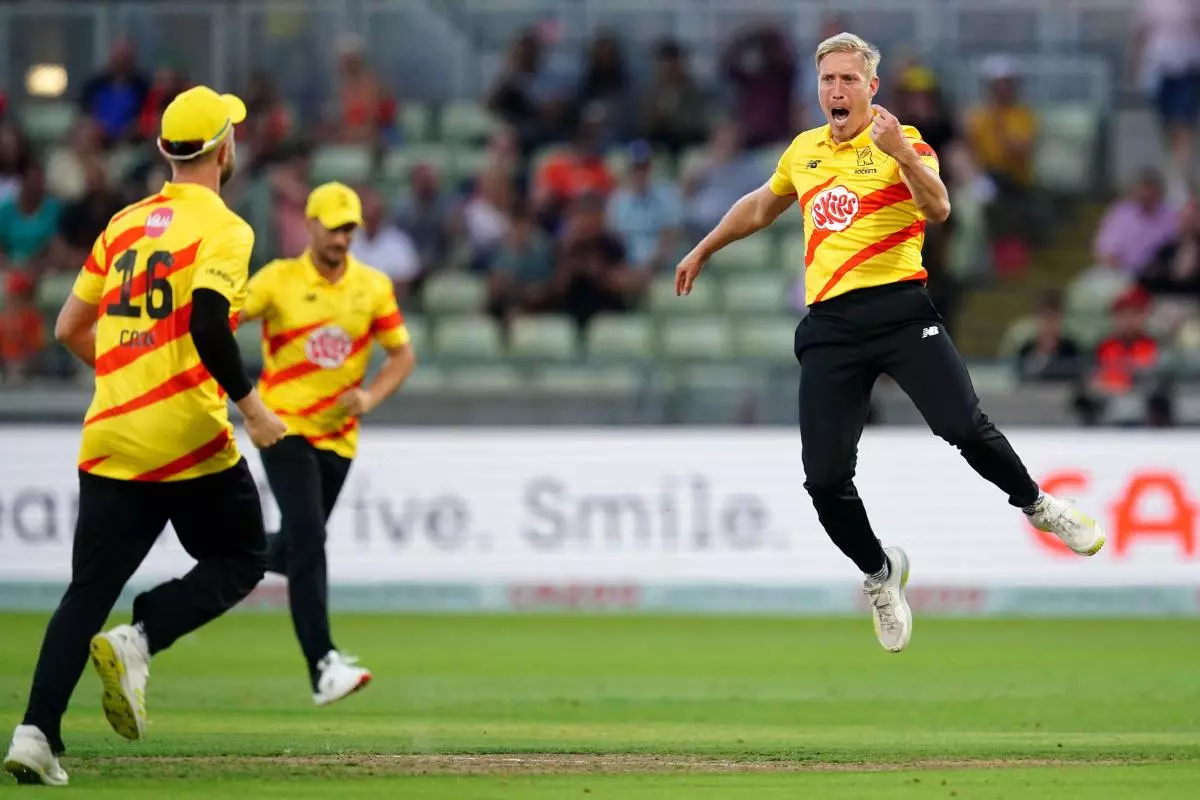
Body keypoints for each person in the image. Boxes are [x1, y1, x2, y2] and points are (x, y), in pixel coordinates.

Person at [674, 32, 1104, 655]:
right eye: (828, 81)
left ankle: (1039, 506)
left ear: (871, 88)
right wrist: (703, 248)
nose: (838, 90)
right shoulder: (805, 150)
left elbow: (939, 208)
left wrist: (901, 151)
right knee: (823, 479)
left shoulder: (902, 142)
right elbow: (761, 206)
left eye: (850, 79)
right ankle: (880, 574)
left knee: (962, 425)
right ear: (818, 89)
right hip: (830, 327)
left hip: (900, 311)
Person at [3, 85, 287, 787]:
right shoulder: (226, 227)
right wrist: (252, 408)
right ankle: (142, 636)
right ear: (226, 149)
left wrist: (129, 373)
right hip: (187, 436)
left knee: (86, 590)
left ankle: (35, 734)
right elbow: (208, 323)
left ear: (164, 151)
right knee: (245, 555)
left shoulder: (124, 223)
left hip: (112, 431)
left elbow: (69, 326)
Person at [239, 182, 416, 707]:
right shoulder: (278, 280)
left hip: (339, 438)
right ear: (309, 224)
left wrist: (370, 396)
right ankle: (323, 665)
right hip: (284, 428)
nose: (341, 237)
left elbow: (402, 355)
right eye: (333, 226)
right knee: (310, 539)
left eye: (348, 228)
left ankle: (216, 565)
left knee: (292, 547)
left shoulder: (373, 286)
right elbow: (220, 322)